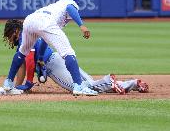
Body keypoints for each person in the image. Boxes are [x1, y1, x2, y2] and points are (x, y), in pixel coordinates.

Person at [2, 0, 98, 96]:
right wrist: (81, 25)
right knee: (68, 52)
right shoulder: (69, 3)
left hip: (29, 21)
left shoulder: (55, 8)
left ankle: (8, 82)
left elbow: (45, 39)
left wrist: (40, 58)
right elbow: (70, 8)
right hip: (45, 22)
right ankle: (79, 86)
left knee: (22, 52)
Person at [15, 40, 149, 94]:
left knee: (79, 88)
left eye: (9, 34)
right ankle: (134, 84)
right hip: (60, 58)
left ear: (15, 31)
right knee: (90, 83)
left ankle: (108, 81)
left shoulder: (25, 40)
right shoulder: (32, 35)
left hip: (53, 65)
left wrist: (24, 84)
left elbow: (29, 63)